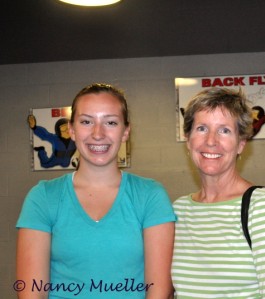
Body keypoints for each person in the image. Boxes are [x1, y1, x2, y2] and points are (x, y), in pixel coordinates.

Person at [16, 83, 176, 299]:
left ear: (126, 131)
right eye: (86, 121)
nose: (98, 133)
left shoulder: (150, 196)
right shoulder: (43, 197)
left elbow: (159, 291)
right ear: (72, 130)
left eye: (110, 122)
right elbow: (31, 293)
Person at [171, 87, 265, 298]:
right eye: (202, 128)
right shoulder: (178, 211)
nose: (211, 141)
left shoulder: (263, 207)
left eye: (224, 130)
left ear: (241, 144)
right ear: (188, 139)